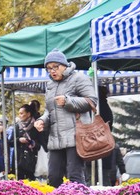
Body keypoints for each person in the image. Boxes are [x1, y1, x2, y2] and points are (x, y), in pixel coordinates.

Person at [33, 49, 97, 187]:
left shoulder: (78, 78)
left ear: (65, 65)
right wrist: (42, 120)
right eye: (49, 68)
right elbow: (48, 110)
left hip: (76, 136)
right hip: (55, 138)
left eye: (56, 66)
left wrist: (68, 101)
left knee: (75, 176)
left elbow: (92, 101)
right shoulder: (50, 85)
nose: (52, 71)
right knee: (53, 178)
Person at [13, 100, 42, 181]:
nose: (20, 115)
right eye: (19, 113)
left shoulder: (36, 126)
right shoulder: (17, 126)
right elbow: (10, 142)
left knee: (32, 182)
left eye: (22, 113)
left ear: (28, 114)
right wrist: (19, 140)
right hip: (19, 158)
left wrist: (33, 143)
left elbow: (41, 143)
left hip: (32, 159)